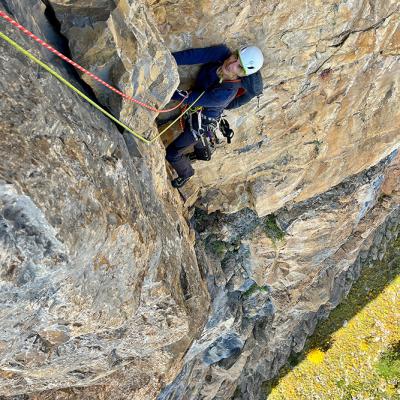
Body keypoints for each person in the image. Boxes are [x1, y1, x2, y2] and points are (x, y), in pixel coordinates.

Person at [165, 44, 264, 188]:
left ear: (243, 74)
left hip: (203, 121)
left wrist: (163, 91)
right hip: (198, 110)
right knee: (190, 129)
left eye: (239, 67)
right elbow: (193, 55)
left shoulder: (227, 93)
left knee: (172, 153)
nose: (231, 64)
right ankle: (202, 152)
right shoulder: (221, 53)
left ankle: (186, 173)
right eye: (235, 57)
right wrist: (166, 60)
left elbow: (191, 98)